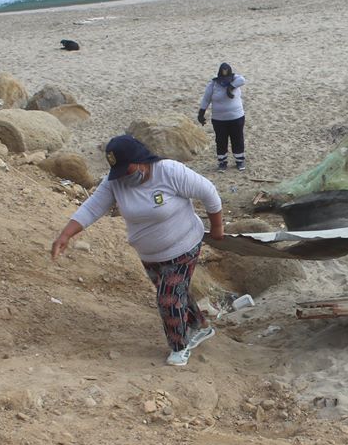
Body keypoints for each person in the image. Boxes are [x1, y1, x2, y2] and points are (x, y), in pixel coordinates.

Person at [51, 135, 225, 367]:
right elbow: (92, 207)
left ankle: (179, 347)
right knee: (175, 292)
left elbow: (209, 193)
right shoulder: (115, 182)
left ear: (141, 159)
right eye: (119, 171)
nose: (124, 175)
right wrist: (65, 234)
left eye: (127, 169)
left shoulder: (170, 172)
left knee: (168, 298)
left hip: (184, 245)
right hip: (150, 255)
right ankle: (200, 326)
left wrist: (217, 227)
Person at [198, 62, 247, 172]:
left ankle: (239, 161)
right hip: (219, 119)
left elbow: (242, 80)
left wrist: (230, 87)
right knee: (220, 140)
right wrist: (201, 113)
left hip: (237, 117)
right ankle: (222, 162)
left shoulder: (236, 79)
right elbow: (206, 99)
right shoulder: (213, 84)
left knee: (237, 139)